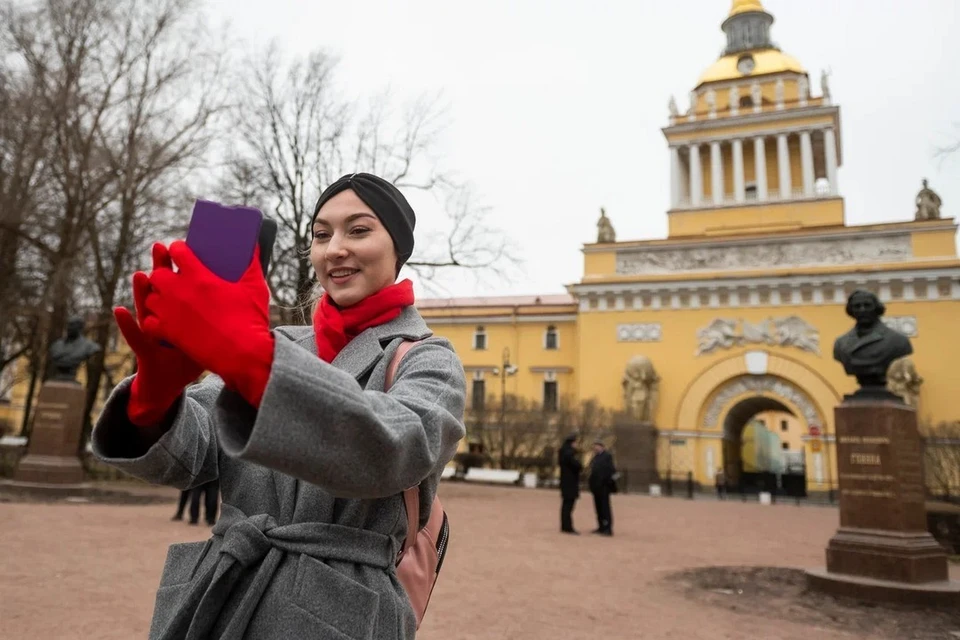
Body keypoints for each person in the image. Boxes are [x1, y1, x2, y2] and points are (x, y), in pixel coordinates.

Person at [92, 172, 466, 640]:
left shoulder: (428, 356)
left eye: (359, 230)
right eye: (321, 234)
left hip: (342, 610)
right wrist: (155, 396)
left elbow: (395, 448)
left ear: (398, 249)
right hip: (222, 594)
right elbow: (192, 456)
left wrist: (253, 361)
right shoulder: (280, 343)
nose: (334, 250)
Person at [588, 439, 617, 536]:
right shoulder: (595, 457)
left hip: (604, 486)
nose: (595, 447)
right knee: (598, 508)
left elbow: (610, 471)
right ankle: (600, 526)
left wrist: (606, 482)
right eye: (595, 446)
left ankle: (608, 528)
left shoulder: (607, 456)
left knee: (605, 508)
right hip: (596, 486)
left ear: (602, 447)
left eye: (597, 445)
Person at [558, 433, 582, 534]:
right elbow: (577, 465)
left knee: (565, 505)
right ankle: (568, 526)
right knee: (569, 505)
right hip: (570, 482)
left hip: (565, 482)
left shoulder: (562, 453)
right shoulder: (569, 454)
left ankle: (564, 525)